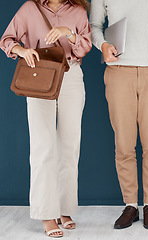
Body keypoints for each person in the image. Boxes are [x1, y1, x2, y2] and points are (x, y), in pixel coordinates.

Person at [0, 0, 91, 237]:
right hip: (39, 74)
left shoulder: (78, 11)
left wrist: (68, 33)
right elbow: (7, 39)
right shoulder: (30, 8)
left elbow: (84, 47)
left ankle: (65, 209)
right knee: (43, 147)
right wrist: (22, 50)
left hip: (71, 74)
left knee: (70, 147)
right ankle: (47, 214)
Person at [90, 0, 148, 230]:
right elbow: (94, 26)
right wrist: (102, 45)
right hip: (118, 72)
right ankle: (130, 205)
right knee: (124, 144)